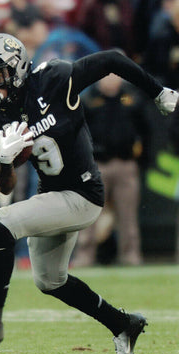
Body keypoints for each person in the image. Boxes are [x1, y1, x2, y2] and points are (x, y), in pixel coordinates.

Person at [0, 33, 179, 354]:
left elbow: (112, 59)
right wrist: (4, 158)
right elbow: (3, 185)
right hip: (52, 194)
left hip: (84, 193)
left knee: (3, 223)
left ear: (17, 68)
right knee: (49, 280)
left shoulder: (55, 79)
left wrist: (157, 91)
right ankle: (124, 325)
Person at [74, 72, 150, 267]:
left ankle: (131, 255)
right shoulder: (88, 100)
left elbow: (145, 130)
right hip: (97, 164)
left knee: (128, 214)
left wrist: (141, 159)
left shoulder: (132, 98)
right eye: (107, 74)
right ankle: (84, 255)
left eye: (116, 74)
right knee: (89, 213)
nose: (111, 79)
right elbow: (78, 132)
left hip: (125, 163)